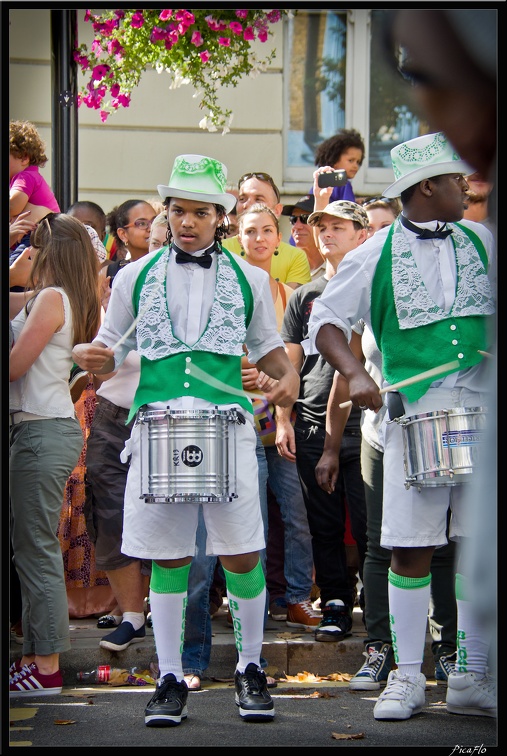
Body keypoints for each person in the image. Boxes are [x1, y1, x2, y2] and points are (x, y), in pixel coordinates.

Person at [71, 153, 300, 727]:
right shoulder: (134, 276)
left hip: (228, 428)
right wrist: (93, 360)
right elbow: (109, 350)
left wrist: (286, 380)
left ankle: (251, 667)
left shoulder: (249, 277)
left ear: (220, 216)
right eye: (179, 211)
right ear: (166, 214)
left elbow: (272, 350)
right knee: (168, 555)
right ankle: (170, 675)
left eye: (201, 211)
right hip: (155, 429)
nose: (189, 221)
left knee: (242, 549)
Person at [308, 131, 496, 720]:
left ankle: (470, 675)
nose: (466, 189)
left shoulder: (482, 239)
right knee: (410, 550)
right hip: (412, 414)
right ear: (427, 188)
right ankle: (408, 678)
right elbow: (327, 320)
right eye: (455, 181)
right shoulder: (375, 251)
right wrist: (355, 373)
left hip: (481, 412)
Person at [316, 192, 457, 689]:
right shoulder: (372, 271)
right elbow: (342, 375)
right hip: (385, 431)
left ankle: (450, 653)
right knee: (384, 545)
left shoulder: (463, 255)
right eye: (369, 227)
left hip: (453, 423)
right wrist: (332, 447)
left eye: (379, 225)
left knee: (445, 546)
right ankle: (382, 650)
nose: (376, 233)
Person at [9, 213, 101, 696]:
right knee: (31, 547)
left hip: (41, 432)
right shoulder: (65, 297)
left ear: (48, 252)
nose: (25, 253)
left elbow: (14, 367)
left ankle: (45, 666)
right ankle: (33, 659)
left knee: (36, 548)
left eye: (31, 246)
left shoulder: (51, 297)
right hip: (46, 431)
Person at [276, 193, 369, 643]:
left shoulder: (377, 287)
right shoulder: (305, 294)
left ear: (362, 235)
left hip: (368, 423)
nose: (326, 234)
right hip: (313, 421)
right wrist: (282, 417)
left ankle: (378, 605)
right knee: (323, 523)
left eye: (338, 227)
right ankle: (334, 601)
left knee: (371, 524)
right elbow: (289, 366)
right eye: (322, 227)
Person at [237, 203, 318, 630]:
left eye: (268, 230)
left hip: (279, 419)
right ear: (238, 236)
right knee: (253, 519)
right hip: (240, 418)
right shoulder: (229, 289)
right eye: (251, 231)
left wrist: (279, 392)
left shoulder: (288, 293)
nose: (260, 239)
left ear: (279, 237)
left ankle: (299, 596)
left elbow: (292, 363)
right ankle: (256, 602)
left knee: (295, 513)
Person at [222, 171, 311, 289]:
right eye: (242, 199)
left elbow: (292, 305)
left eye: (258, 199)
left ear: (278, 210)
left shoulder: (295, 257)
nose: (247, 205)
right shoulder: (220, 251)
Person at [9, 120, 61, 264]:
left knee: (14, 267)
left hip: (36, 238)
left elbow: (14, 206)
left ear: (24, 158)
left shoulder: (25, 176)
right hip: (36, 238)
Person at [310, 128, 365, 204]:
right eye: (351, 160)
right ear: (334, 159)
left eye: (358, 162)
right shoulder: (344, 184)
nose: (356, 166)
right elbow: (348, 211)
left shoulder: (320, 182)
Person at [281, 194, 325, 279]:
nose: (297, 226)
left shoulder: (337, 267)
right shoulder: (284, 265)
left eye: (305, 219)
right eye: (293, 219)